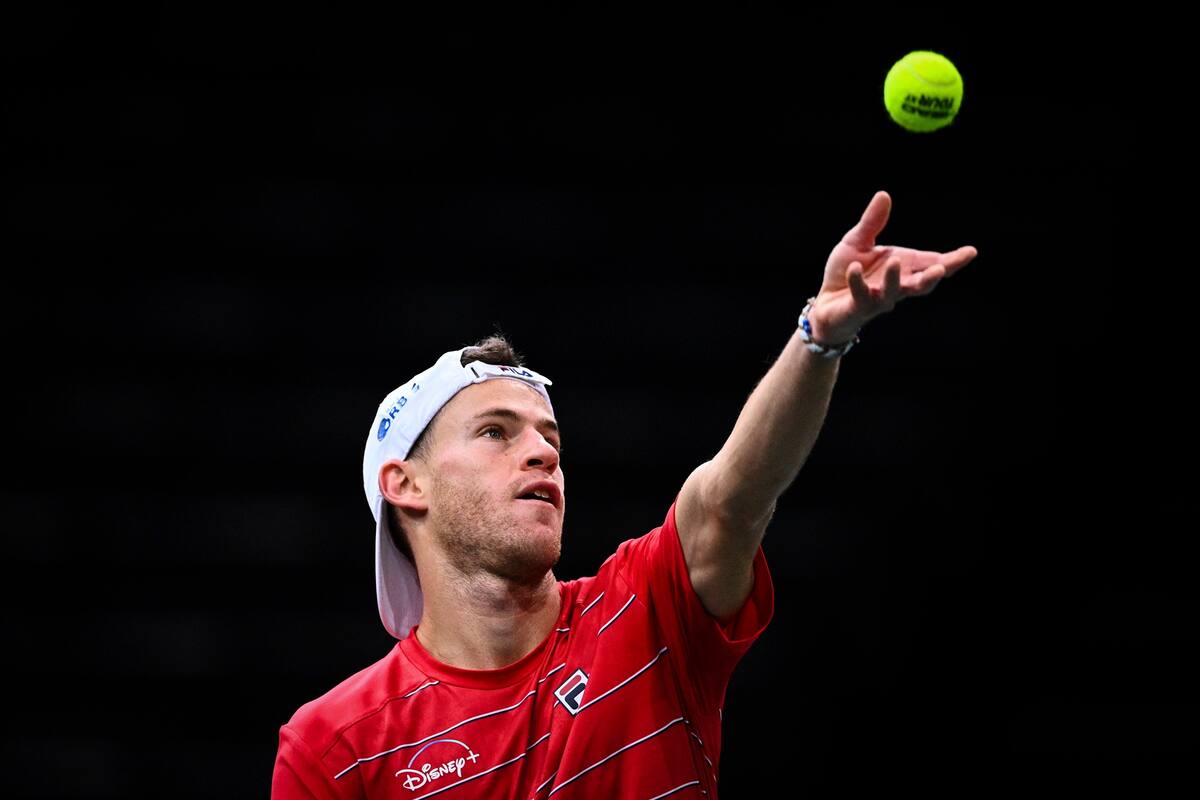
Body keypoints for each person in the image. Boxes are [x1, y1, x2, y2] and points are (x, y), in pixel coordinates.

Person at [271, 190, 978, 798]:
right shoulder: (333, 746)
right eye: (495, 431)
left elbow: (731, 497)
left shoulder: (643, 613)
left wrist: (820, 338)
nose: (543, 450)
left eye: (549, 437)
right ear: (406, 485)